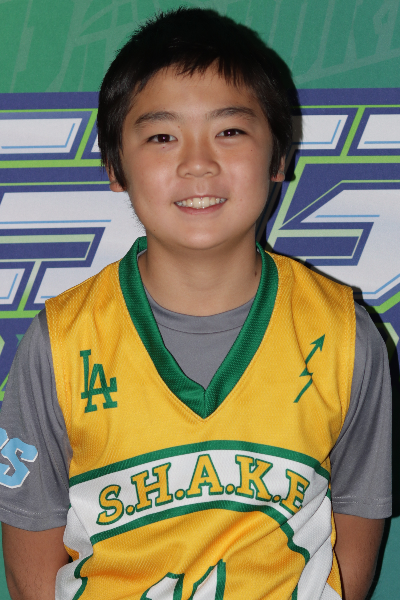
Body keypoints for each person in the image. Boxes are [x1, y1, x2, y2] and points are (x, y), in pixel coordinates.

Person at [0, 8, 391, 600]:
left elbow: (355, 540)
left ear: (279, 157)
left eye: (229, 131)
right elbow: (30, 564)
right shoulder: (61, 341)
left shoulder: (343, 335)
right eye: (162, 137)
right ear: (115, 166)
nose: (198, 163)